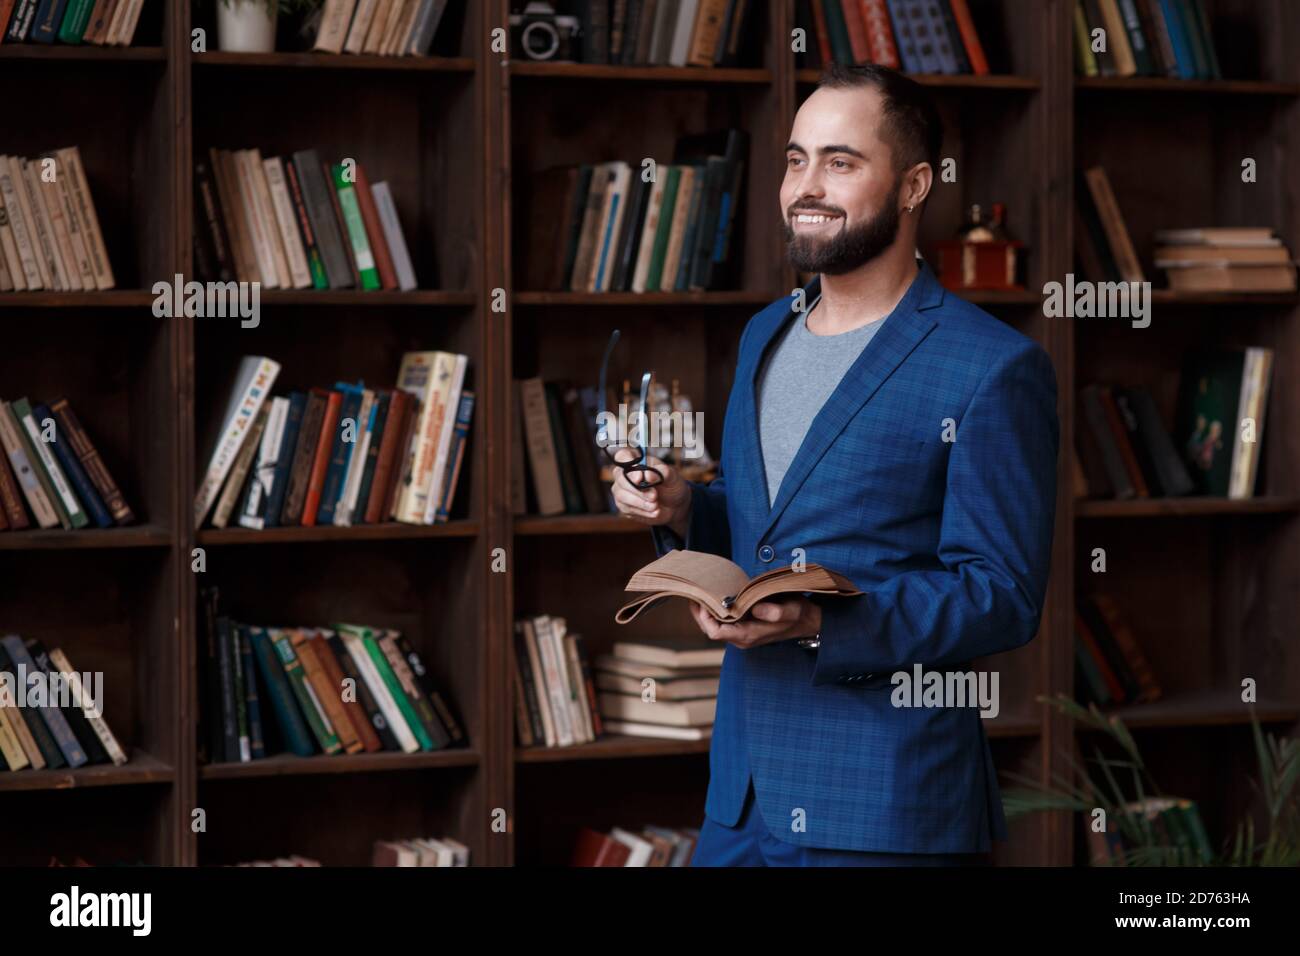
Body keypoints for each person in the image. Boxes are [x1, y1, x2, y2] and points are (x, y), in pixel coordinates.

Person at [610, 63, 1059, 866]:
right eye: (794, 159)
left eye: (840, 162)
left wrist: (823, 620)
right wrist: (683, 511)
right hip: (740, 797)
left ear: (915, 184)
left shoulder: (992, 367)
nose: (805, 187)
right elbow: (768, 536)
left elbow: (1003, 596)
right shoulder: (762, 336)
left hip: (884, 805)